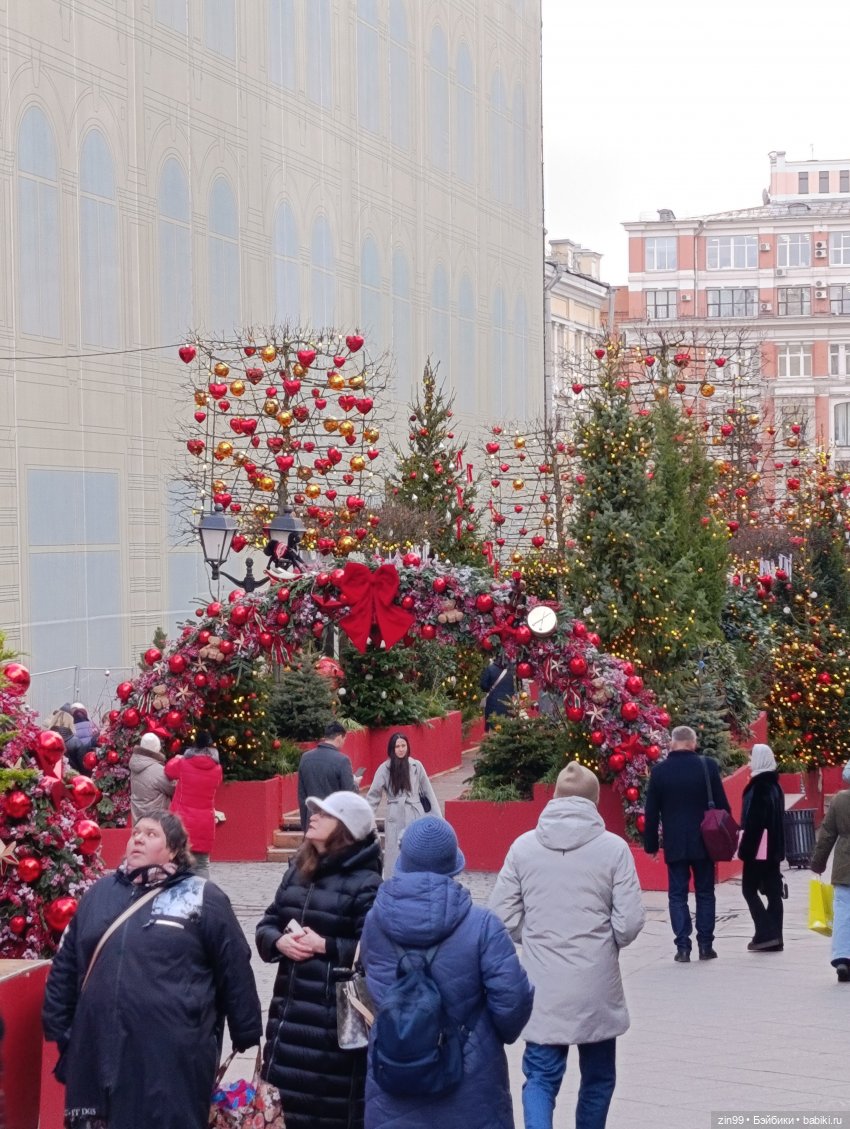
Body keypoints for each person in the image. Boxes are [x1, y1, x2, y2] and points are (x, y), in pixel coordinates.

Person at [42, 812, 262, 1129]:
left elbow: (234, 963)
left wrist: (246, 1030)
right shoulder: (98, 894)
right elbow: (66, 964)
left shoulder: (201, 896)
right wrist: (64, 1032)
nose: (139, 838)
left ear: (173, 849)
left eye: (151, 833)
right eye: (136, 832)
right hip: (97, 1053)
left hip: (170, 1057)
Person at [490, 762, 645, 1129]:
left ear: (555, 798)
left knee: (540, 1077)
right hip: (596, 984)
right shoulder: (614, 849)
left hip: (542, 985)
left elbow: (501, 916)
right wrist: (609, 942)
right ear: (593, 801)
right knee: (599, 1077)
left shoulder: (523, 847)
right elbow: (630, 922)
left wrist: (531, 937)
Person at [361, 816, 534, 1129]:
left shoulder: (375, 921)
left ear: (404, 862)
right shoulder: (484, 926)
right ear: (454, 864)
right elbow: (513, 1002)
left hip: (394, 1073)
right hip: (470, 1085)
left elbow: (374, 987)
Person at [256, 791, 382, 1129]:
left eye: (324, 814)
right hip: (286, 1021)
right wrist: (278, 941)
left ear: (346, 828)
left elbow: (374, 950)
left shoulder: (367, 883)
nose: (312, 816)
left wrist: (325, 945)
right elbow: (268, 922)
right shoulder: (299, 869)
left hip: (332, 1032)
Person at [642, 724, 731, 961]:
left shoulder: (660, 771)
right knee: (705, 893)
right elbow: (723, 806)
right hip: (705, 841)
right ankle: (705, 946)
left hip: (675, 843)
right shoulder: (707, 766)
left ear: (672, 743)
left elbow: (651, 812)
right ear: (693, 743)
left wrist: (651, 845)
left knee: (677, 895)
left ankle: (682, 947)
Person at [366, 733, 440, 876]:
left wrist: (437, 819)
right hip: (395, 814)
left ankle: (419, 881)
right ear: (392, 749)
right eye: (397, 746)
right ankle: (392, 883)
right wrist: (366, 819)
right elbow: (373, 795)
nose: (401, 749)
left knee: (417, 850)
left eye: (403, 745)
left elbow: (428, 791)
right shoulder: (384, 769)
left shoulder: (416, 766)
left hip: (416, 812)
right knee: (394, 854)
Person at [738, 743, 786, 953]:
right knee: (774, 893)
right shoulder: (775, 786)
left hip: (758, 850)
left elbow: (755, 822)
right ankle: (775, 936)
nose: (749, 764)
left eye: (751, 759)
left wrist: (745, 849)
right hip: (774, 850)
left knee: (748, 889)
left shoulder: (759, 786)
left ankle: (766, 933)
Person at [810, 760, 850, 982]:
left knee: (844, 912)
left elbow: (826, 835)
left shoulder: (840, 800)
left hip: (845, 865)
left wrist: (818, 863)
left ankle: (842, 958)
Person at [164, 730, 223, 879]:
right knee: (202, 863)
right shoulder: (217, 769)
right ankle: (203, 894)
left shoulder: (183, 763)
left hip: (181, 819)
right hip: (205, 822)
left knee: (176, 861)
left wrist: (179, 757)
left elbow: (169, 770)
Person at [297, 720, 357, 831]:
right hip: (333, 825)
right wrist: (356, 784)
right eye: (344, 739)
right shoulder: (342, 760)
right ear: (339, 737)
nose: (344, 743)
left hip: (312, 823)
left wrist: (305, 826)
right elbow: (349, 794)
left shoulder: (305, 758)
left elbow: (302, 796)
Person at [129, 732, 175, 823]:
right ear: (157, 748)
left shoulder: (135, 764)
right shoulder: (158, 770)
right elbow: (173, 789)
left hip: (137, 816)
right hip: (156, 817)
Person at [480, 658, 515, 731]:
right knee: (506, 727)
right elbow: (512, 689)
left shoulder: (490, 669)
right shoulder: (510, 671)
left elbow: (483, 686)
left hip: (493, 702)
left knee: (493, 725)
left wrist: (490, 689)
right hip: (507, 703)